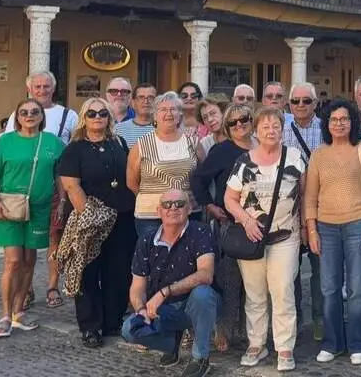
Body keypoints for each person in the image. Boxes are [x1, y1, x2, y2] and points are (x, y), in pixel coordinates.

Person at [225, 105, 306, 372]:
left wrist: (307, 227)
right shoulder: (245, 160)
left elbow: (304, 195)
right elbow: (229, 198)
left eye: (276, 126)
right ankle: (256, 343)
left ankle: (284, 346)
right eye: (265, 127)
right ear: (256, 131)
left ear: (283, 130)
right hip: (253, 236)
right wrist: (246, 221)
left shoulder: (294, 157)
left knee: (283, 290)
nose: (271, 131)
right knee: (255, 292)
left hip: (286, 235)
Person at [305, 98, 361, 365]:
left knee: (359, 287)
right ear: (327, 124)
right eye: (334, 120)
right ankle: (333, 342)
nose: (339, 124)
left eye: (344, 119)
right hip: (325, 228)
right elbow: (310, 196)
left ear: (352, 122)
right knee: (328, 287)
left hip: (359, 225)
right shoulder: (318, 154)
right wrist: (311, 230)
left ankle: (359, 343)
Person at [57, 97, 136, 348]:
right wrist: (92, 216)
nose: (98, 117)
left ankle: (112, 321)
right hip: (90, 219)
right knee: (88, 272)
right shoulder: (74, 148)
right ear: (84, 117)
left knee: (118, 271)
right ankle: (91, 326)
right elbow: (71, 186)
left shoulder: (119, 142)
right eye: (92, 113)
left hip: (121, 217)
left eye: (103, 113)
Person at [0, 98, 64, 338]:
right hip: (9, 208)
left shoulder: (52, 142)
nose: (29, 115)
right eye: (24, 112)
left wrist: (62, 201)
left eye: (34, 112)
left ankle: (19, 312)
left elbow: (59, 174)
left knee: (29, 260)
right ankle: (5, 315)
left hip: (39, 209)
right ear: (17, 117)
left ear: (42, 116)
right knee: (13, 261)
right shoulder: (5, 142)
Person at [123, 188, 219, 377]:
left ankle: (200, 357)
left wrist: (165, 292)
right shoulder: (147, 239)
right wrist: (141, 310)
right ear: (159, 211)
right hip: (164, 310)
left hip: (196, 305)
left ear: (189, 209)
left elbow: (206, 274)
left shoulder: (201, 231)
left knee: (202, 293)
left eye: (179, 204)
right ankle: (171, 343)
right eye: (167, 204)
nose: (173, 208)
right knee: (129, 329)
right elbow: (137, 287)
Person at [6, 70, 78, 312]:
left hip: (56, 186)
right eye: (37, 86)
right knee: (25, 242)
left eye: (46, 86)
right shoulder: (17, 114)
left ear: (53, 88)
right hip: (24, 189)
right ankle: (25, 289)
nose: (42, 90)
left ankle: (52, 285)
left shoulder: (69, 115)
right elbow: (8, 147)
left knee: (54, 240)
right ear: (29, 88)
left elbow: (76, 147)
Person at [190, 100, 255, 352]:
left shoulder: (262, 147)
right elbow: (198, 180)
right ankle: (223, 330)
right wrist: (209, 205)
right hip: (229, 223)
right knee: (228, 281)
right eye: (233, 122)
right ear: (227, 127)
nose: (239, 125)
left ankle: (245, 331)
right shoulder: (221, 150)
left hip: (258, 224)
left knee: (252, 283)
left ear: (252, 121)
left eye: (244, 120)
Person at [127, 92, 201, 239]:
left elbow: (202, 175)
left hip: (188, 212)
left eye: (173, 109)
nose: (169, 113)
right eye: (163, 110)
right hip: (150, 216)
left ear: (180, 114)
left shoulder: (192, 142)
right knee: (156, 258)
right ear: (154, 116)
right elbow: (132, 183)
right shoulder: (141, 145)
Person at [285, 82, 325, 339]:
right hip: (287, 208)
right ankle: (295, 320)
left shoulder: (326, 129)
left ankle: (321, 318)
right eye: (296, 101)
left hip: (320, 206)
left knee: (320, 267)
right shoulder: (280, 129)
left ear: (315, 103)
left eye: (306, 101)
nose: (301, 105)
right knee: (290, 269)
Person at [116, 84, 157, 149]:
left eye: (150, 97)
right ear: (133, 103)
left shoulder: (164, 128)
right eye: (141, 97)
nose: (146, 101)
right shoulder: (118, 129)